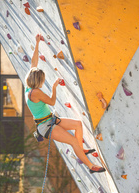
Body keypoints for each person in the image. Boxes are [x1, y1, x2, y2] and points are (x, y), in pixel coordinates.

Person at [25, 34, 106, 174]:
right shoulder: (35, 93)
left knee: (78, 124)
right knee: (73, 141)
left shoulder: (29, 87)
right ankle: (91, 167)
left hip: (49, 120)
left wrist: (37, 43)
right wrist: (55, 87)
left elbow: (33, 62)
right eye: (42, 80)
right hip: (46, 126)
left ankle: (80, 149)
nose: (43, 82)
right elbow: (51, 101)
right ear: (37, 82)